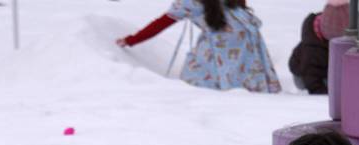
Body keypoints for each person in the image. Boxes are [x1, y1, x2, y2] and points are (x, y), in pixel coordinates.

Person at [116, 0, 281, 93]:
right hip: (247, 41)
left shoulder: (190, 2)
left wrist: (130, 40)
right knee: (241, 81)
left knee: (203, 82)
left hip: (222, 49)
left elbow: (161, 23)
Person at [288, 0, 359, 94]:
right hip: (305, 74)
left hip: (332, 67)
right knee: (334, 84)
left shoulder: (351, 19)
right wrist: (330, 96)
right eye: (339, 40)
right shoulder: (312, 50)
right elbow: (312, 81)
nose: (343, 42)